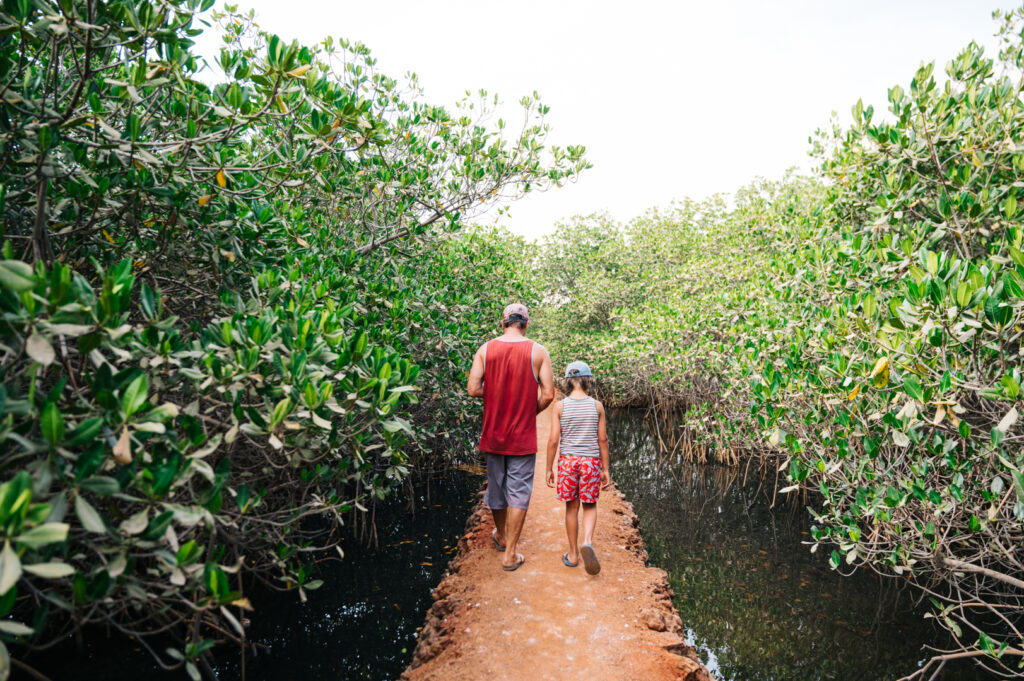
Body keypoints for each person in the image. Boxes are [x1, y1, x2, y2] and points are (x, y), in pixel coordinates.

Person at [467, 303, 555, 571]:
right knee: (519, 492)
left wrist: (496, 394)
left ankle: (502, 537)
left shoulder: (485, 349)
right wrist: (529, 411)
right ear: (525, 324)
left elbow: (473, 389)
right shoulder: (538, 351)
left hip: (493, 433)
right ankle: (511, 554)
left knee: (496, 487)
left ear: (502, 323)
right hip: (522, 437)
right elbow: (549, 394)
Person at [545, 361, 610, 575]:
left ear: (567, 382)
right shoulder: (597, 406)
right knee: (589, 505)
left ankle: (573, 555)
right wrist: (605, 469)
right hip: (590, 462)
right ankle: (587, 542)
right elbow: (603, 440)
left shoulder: (561, 406)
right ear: (588, 380)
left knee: (571, 508)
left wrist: (549, 468)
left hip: (568, 462)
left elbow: (554, 440)